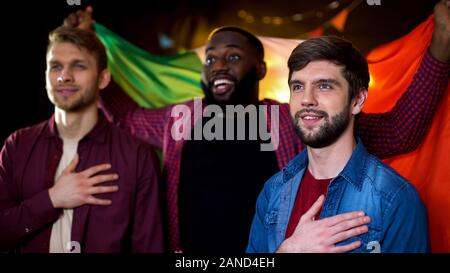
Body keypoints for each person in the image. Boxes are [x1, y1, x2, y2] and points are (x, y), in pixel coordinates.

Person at [64, 1, 450, 253]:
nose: (218, 65)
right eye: (211, 58)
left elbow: (401, 131)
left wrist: (441, 46)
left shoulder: (292, 119)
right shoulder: (180, 119)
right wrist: (85, 48)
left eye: (233, 57)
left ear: (260, 70)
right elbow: (127, 117)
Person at [247, 35, 429, 253]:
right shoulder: (274, 189)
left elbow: (400, 131)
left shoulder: (394, 197)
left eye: (324, 86)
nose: (306, 99)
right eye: (297, 86)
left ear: (357, 101)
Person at [0, 27, 164, 253]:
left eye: (78, 66)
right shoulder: (17, 146)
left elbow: (149, 247)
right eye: (55, 66)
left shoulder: (137, 156)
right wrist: (52, 199)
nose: (64, 76)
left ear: (103, 78)